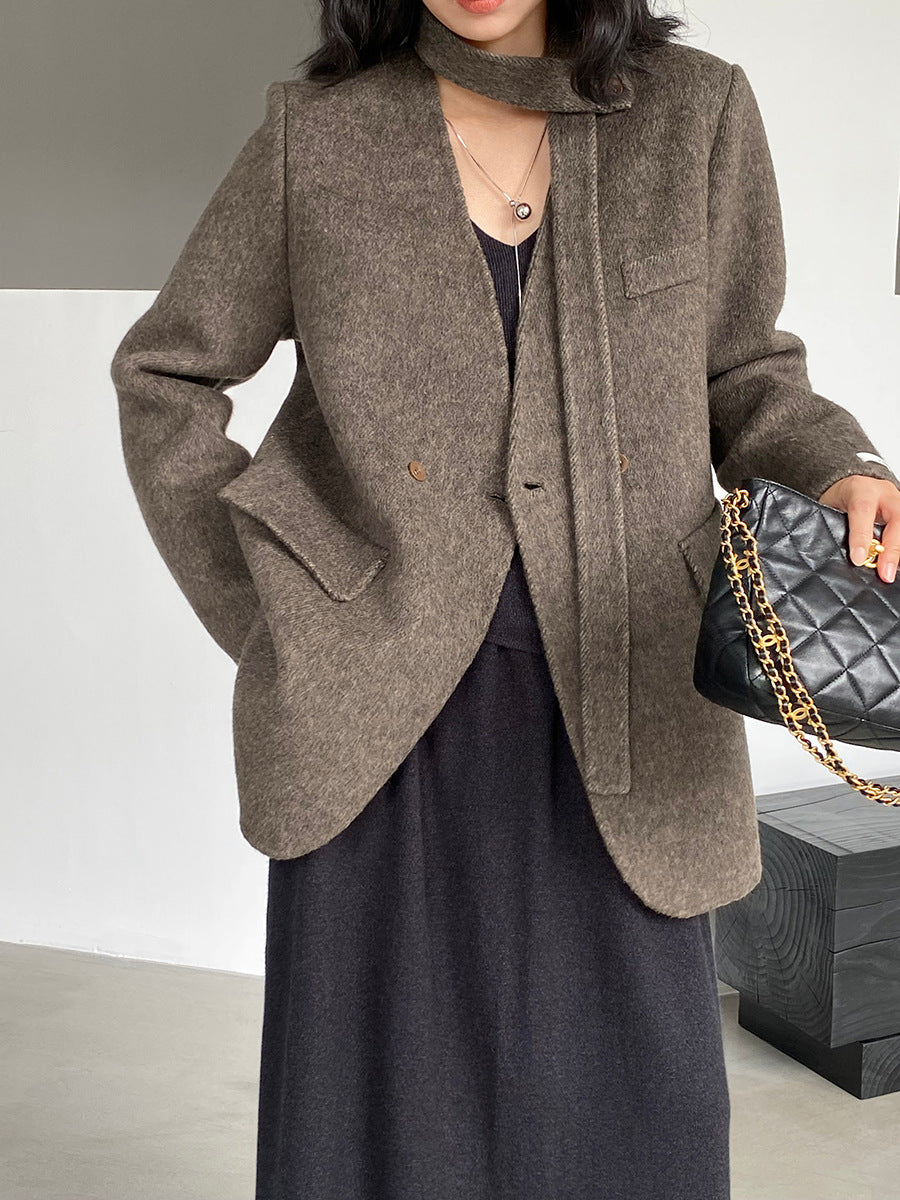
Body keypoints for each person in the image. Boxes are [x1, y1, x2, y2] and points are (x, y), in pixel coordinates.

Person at [110, 1, 900, 1197]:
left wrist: (841, 465)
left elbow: (747, 370)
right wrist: (280, 614)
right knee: (379, 1127)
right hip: (378, 723)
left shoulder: (694, 113)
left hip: (630, 693)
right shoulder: (319, 134)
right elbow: (166, 375)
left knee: (636, 1124)